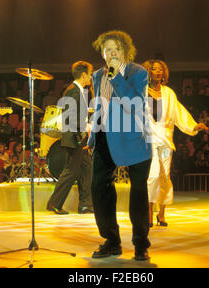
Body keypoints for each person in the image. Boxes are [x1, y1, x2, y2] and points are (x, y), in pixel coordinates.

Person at [85, 30, 152, 261]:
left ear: (126, 51)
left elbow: (134, 104)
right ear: (102, 53)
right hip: (104, 136)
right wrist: (93, 136)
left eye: (117, 49)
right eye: (108, 49)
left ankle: (141, 243)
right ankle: (111, 241)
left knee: (139, 192)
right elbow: (100, 108)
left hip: (134, 138)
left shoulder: (138, 72)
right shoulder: (96, 76)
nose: (112, 53)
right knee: (98, 187)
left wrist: (116, 78)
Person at [142, 60, 209, 227]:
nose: (157, 72)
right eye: (154, 69)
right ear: (148, 72)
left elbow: (179, 112)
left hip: (166, 139)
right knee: (153, 175)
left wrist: (193, 126)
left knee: (164, 175)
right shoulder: (141, 92)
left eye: (160, 70)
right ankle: (148, 211)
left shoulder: (169, 93)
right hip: (149, 138)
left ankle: (162, 213)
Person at [46, 61, 94, 215]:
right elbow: (70, 117)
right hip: (75, 138)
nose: (91, 78)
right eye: (90, 74)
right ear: (83, 75)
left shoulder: (77, 91)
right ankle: (55, 204)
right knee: (71, 172)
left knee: (87, 170)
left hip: (78, 137)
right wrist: (81, 134)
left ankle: (86, 205)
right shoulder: (73, 91)